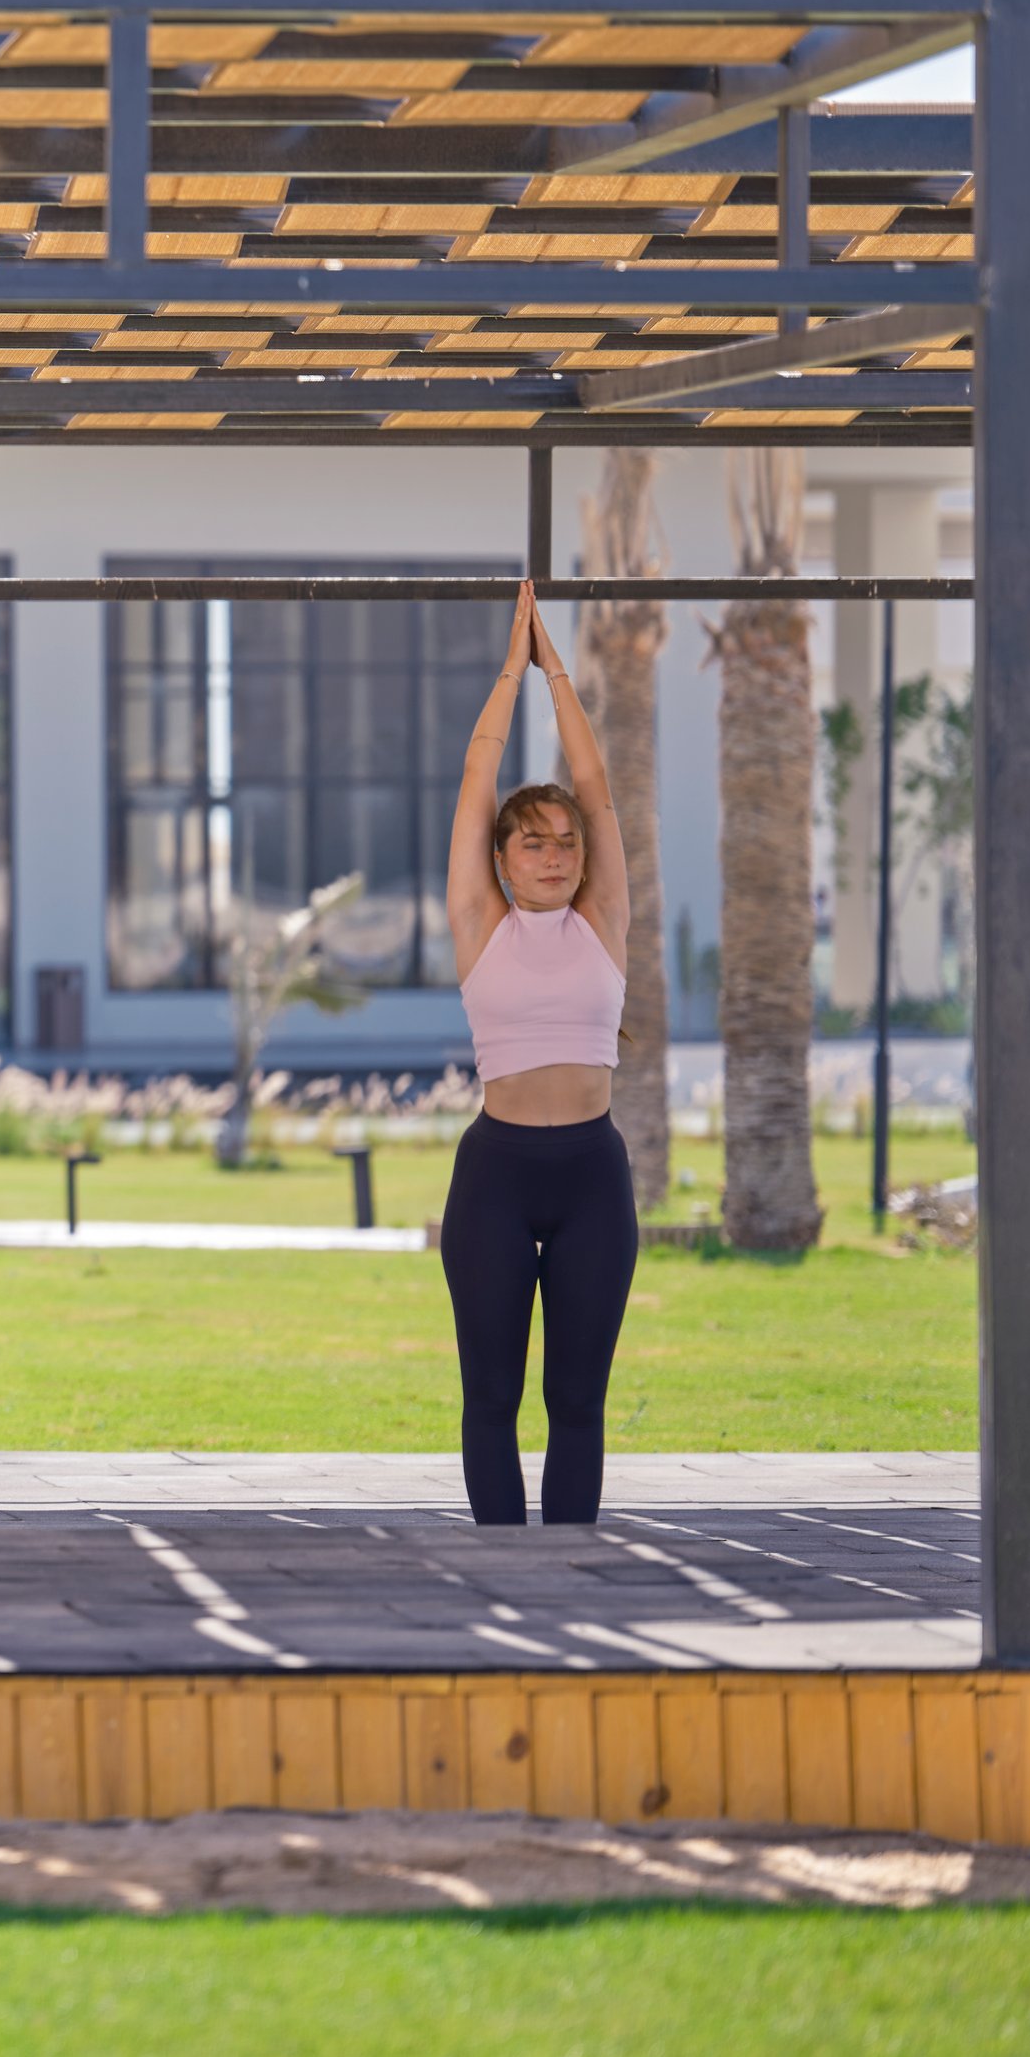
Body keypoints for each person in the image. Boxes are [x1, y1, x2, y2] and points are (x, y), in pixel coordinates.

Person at [439, 578, 637, 1526]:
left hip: (593, 1173)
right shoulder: (481, 925)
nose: (555, 853)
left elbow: (596, 790)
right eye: (532, 842)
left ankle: (573, 1571)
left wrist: (561, 673)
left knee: (578, 1405)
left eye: (565, 842)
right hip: (497, 1175)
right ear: (503, 862)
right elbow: (478, 784)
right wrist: (511, 673)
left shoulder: (605, 921)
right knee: (491, 1400)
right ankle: (496, 1570)